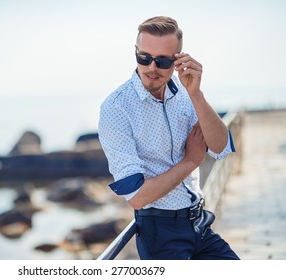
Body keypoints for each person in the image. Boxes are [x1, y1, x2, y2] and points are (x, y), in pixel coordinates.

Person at [98, 16, 239, 260]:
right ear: (135, 52)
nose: (151, 67)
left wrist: (196, 93)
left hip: (200, 224)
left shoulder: (186, 92)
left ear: (178, 60)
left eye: (162, 61)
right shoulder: (116, 108)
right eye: (144, 58)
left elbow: (222, 147)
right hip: (160, 235)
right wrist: (190, 162)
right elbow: (137, 197)